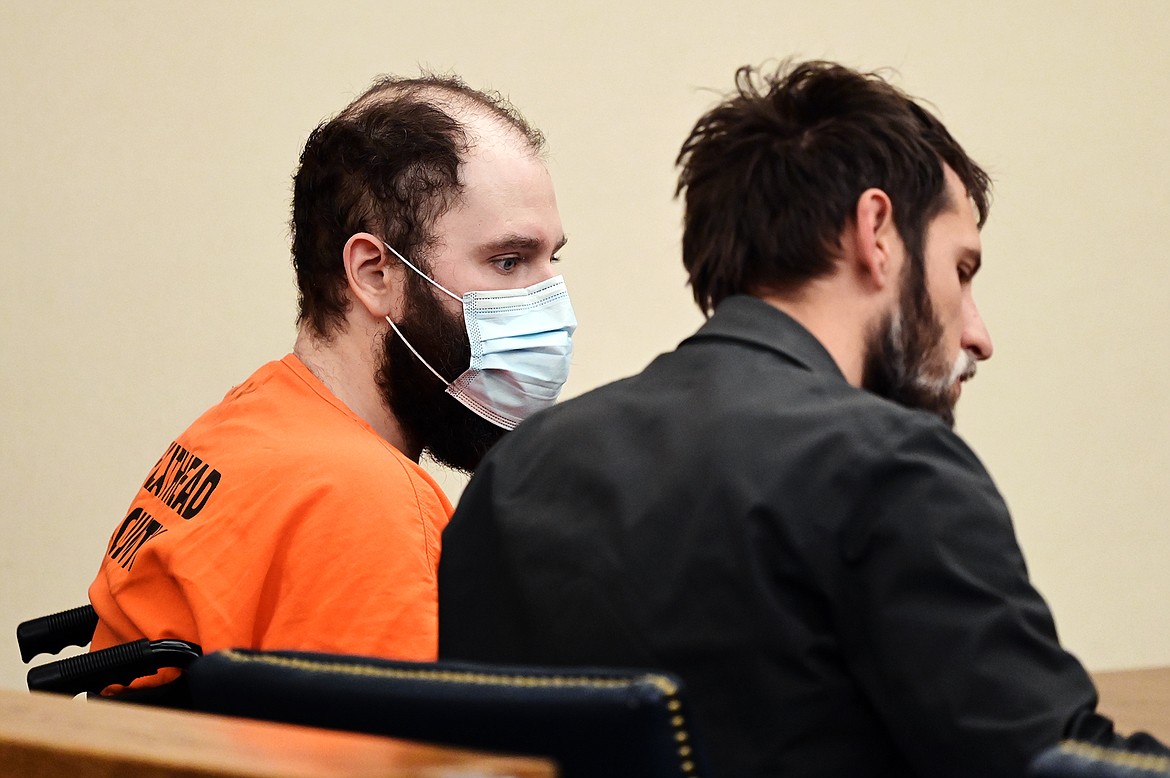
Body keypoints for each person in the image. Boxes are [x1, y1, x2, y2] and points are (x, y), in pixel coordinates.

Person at [438, 61, 1165, 776]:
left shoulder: (517, 473)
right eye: (962, 270)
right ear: (876, 233)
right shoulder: (892, 466)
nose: (978, 334)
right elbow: (1051, 761)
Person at [88, 73, 576, 678]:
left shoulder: (244, 423)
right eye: (507, 261)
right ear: (374, 273)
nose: (553, 306)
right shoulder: (368, 503)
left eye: (549, 260)